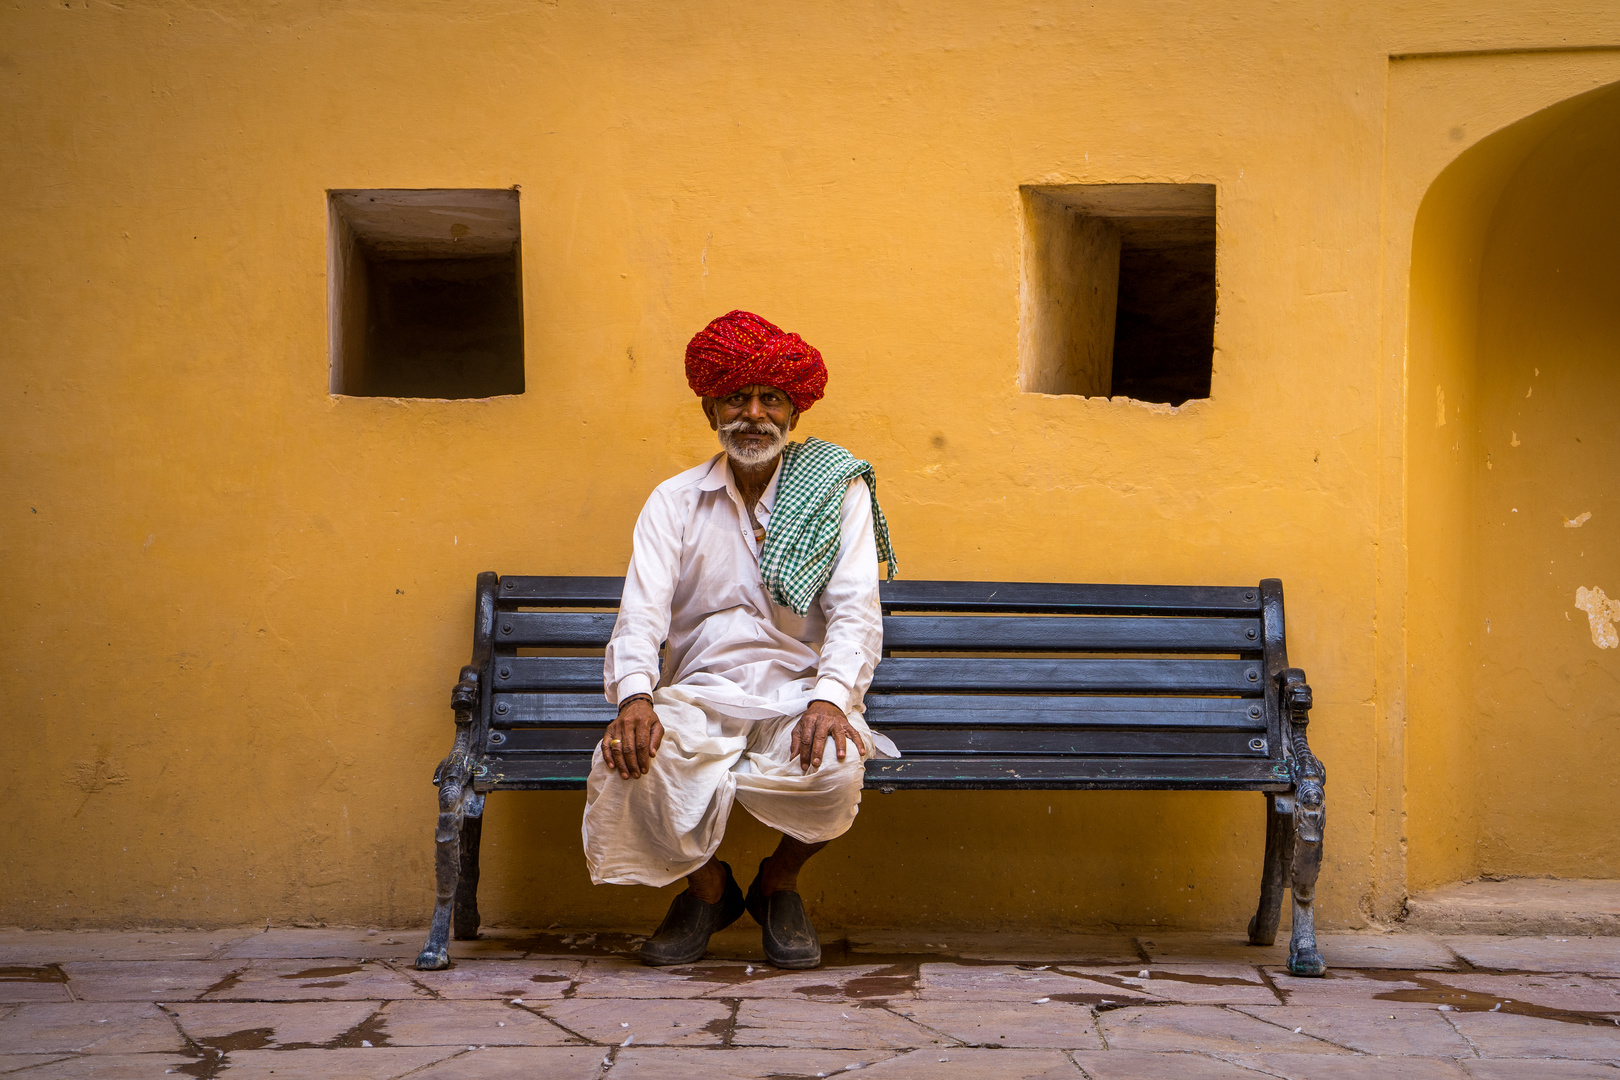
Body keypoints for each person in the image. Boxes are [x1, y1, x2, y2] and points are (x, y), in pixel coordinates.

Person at [582, 309, 897, 970]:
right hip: (699, 694)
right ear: (709, 409)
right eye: (736, 397)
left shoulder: (834, 495)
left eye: (771, 399)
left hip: (798, 695)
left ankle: (777, 885)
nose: (754, 414)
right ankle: (710, 890)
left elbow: (855, 612)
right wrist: (635, 696)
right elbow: (641, 611)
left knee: (836, 769)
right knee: (628, 764)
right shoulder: (674, 502)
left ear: (793, 413)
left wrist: (832, 697)